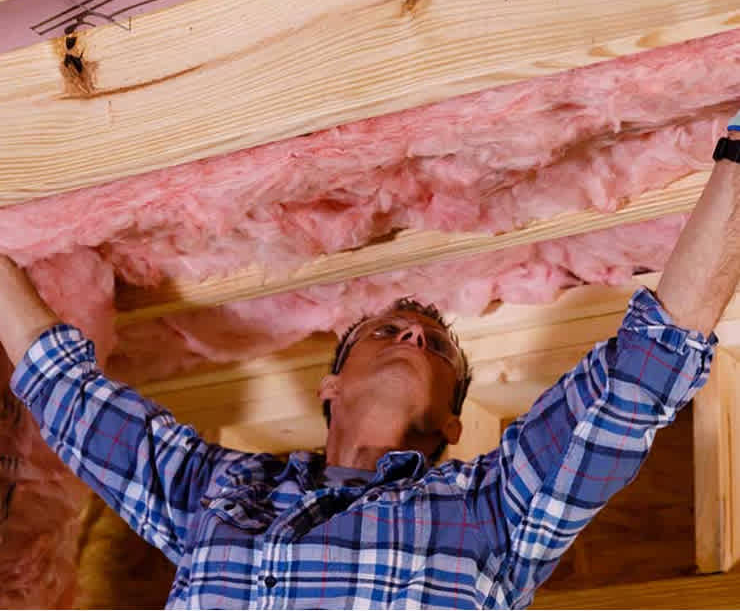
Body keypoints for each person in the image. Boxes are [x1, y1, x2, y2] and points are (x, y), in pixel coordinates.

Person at [2, 114, 739, 609]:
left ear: (455, 422)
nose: (414, 337)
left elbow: (640, 373)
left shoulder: (494, 511)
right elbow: (65, 390)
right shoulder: (218, 491)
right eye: (388, 331)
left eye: (436, 345)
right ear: (331, 383)